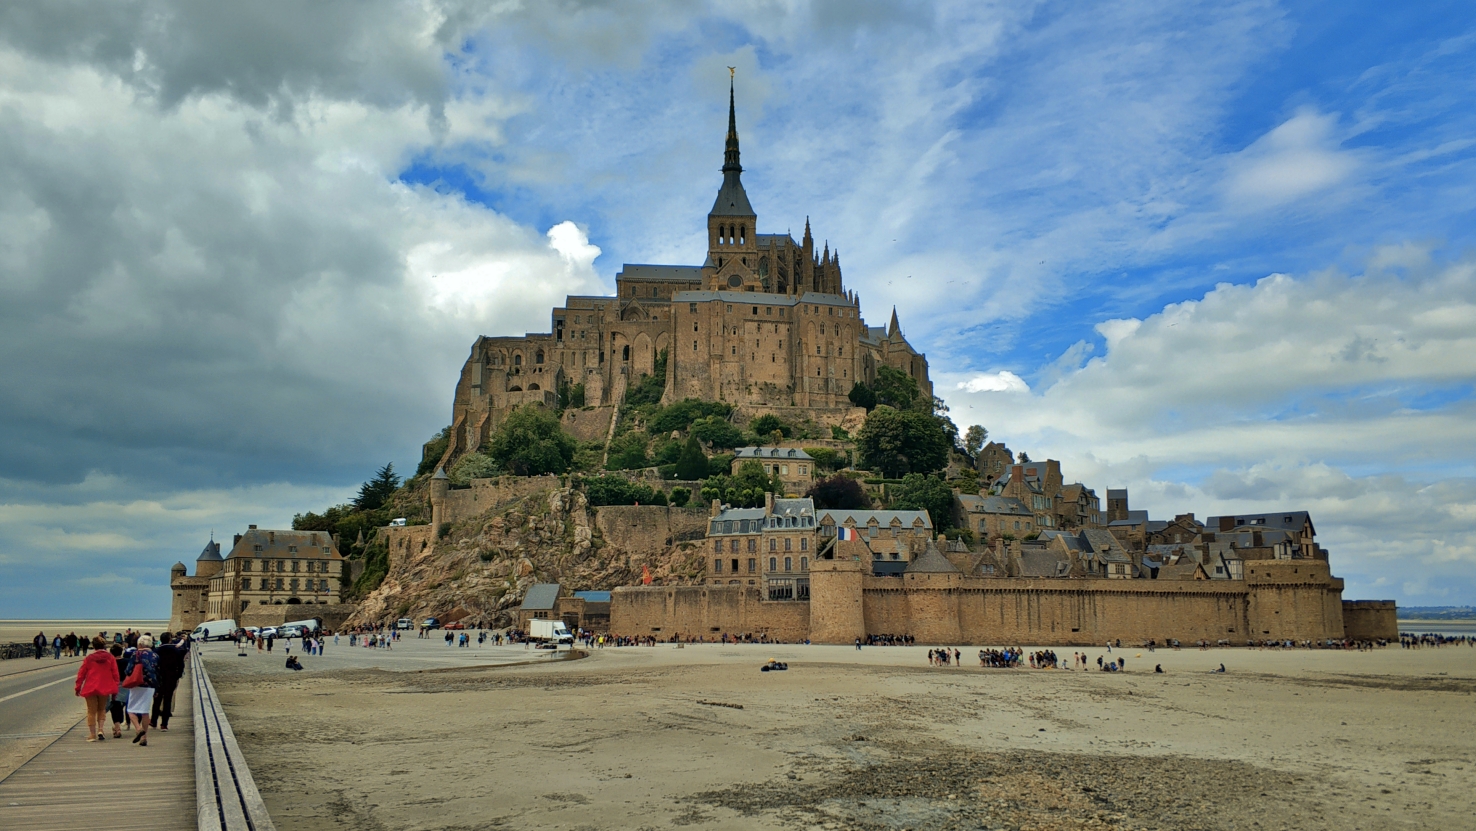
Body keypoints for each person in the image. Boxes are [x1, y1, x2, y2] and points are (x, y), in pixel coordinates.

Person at [75, 637, 120, 742]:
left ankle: (92, 734)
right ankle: (100, 729)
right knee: (101, 709)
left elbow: (81, 674)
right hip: (104, 687)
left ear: (93, 646)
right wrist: (115, 688)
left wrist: (78, 687)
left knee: (91, 711)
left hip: (91, 687)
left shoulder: (89, 658)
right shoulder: (110, 657)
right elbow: (115, 674)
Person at [123, 635, 160, 746]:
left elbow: (128, 670)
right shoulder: (155, 655)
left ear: (139, 644)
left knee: (131, 709)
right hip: (151, 686)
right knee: (145, 711)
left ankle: (138, 729)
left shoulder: (136, 654)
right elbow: (158, 672)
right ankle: (144, 738)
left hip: (137, 683)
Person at [151, 635, 187, 731]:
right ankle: (164, 724)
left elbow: (153, 665)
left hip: (159, 678)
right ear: (170, 640)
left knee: (157, 700)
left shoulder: (157, 651)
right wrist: (177, 676)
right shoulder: (176, 651)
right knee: (167, 700)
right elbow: (181, 665)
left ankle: (154, 721)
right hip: (171, 678)